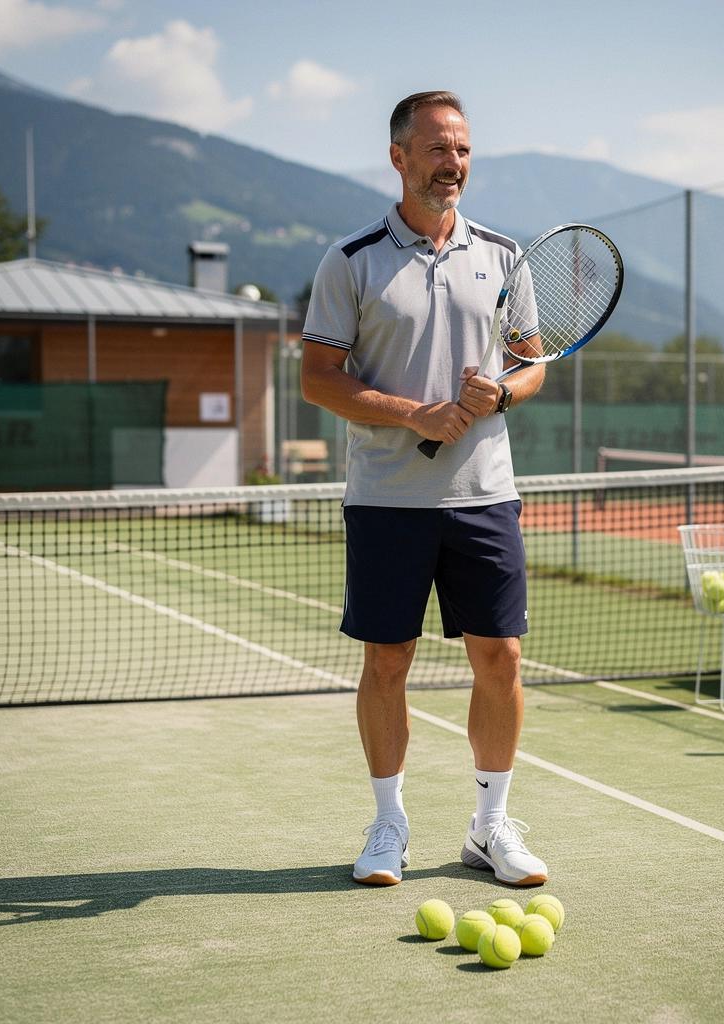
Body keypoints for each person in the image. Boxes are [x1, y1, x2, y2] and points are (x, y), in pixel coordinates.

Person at [300, 90, 547, 888]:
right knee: (387, 662)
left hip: (485, 494)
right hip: (385, 500)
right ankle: (389, 824)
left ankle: (490, 827)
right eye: (438, 148)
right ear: (399, 156)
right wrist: (418, 413)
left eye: (463, 149)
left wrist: (500, 393)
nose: (453, 163)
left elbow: (532, 363)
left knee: (501, 659)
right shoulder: (350, 260)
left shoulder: (505, 256)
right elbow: (318, 378)